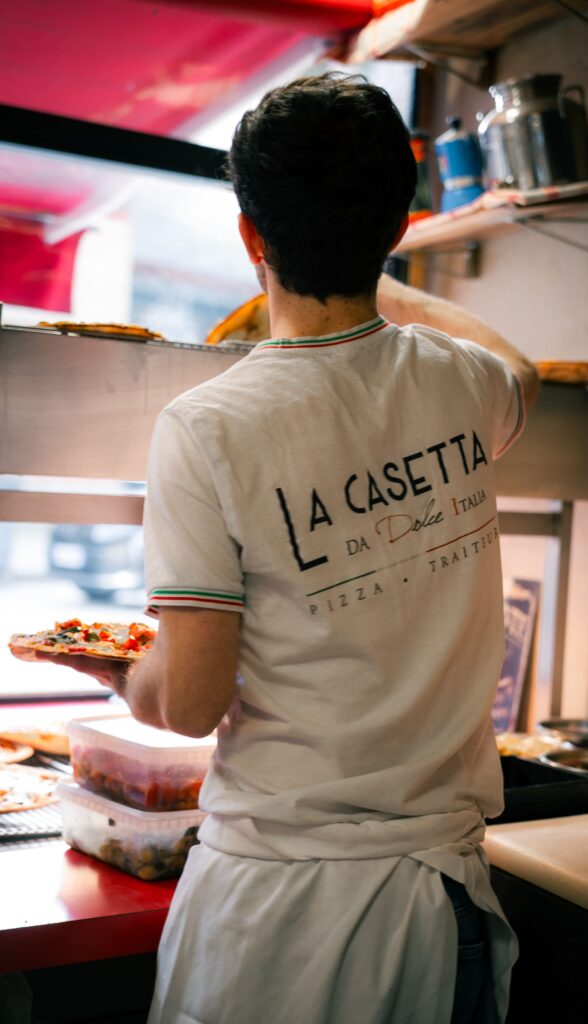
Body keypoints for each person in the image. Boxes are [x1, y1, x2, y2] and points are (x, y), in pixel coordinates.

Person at [43, 74, 539, 1022]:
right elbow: (518, 369)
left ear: (249, 238)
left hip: (277, 915)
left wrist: (117, 671)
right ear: (395, 227)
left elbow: (186, 705)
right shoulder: (461, 382)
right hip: (444, 904)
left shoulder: (207, 426)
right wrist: (375, 270)